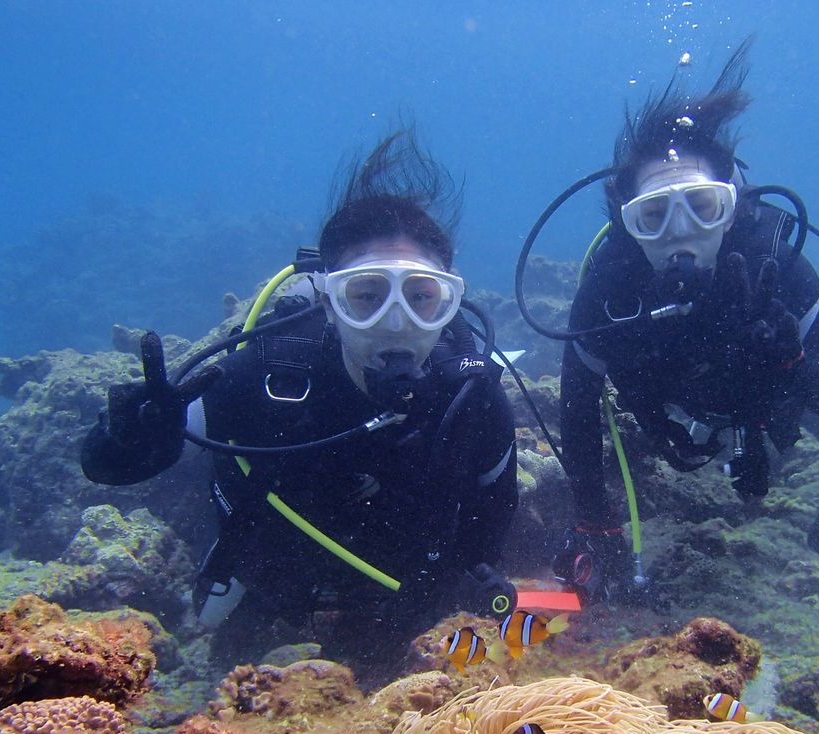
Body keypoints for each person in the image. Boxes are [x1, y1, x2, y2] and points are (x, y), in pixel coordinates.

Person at [82, 131, 518, 674]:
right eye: (365, 296)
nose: (397, 321)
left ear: (449, 304)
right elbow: (108, 467)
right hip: (273, 595)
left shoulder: (474, 402)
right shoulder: (267, 374)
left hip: (405, 609)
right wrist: (131, 438)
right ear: (330, 303)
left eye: (423, 297)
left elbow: (490, 525)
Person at [555, 42, 819, 601]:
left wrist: (793, 362)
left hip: (761, 404)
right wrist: (596, 521)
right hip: (668, 413)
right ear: (629, 226)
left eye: (702, 207)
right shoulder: (608, 292)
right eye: (653, 216)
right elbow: (577, 413)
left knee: (777, 440)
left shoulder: (779, 268)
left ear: (734, 207)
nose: (680, 232)